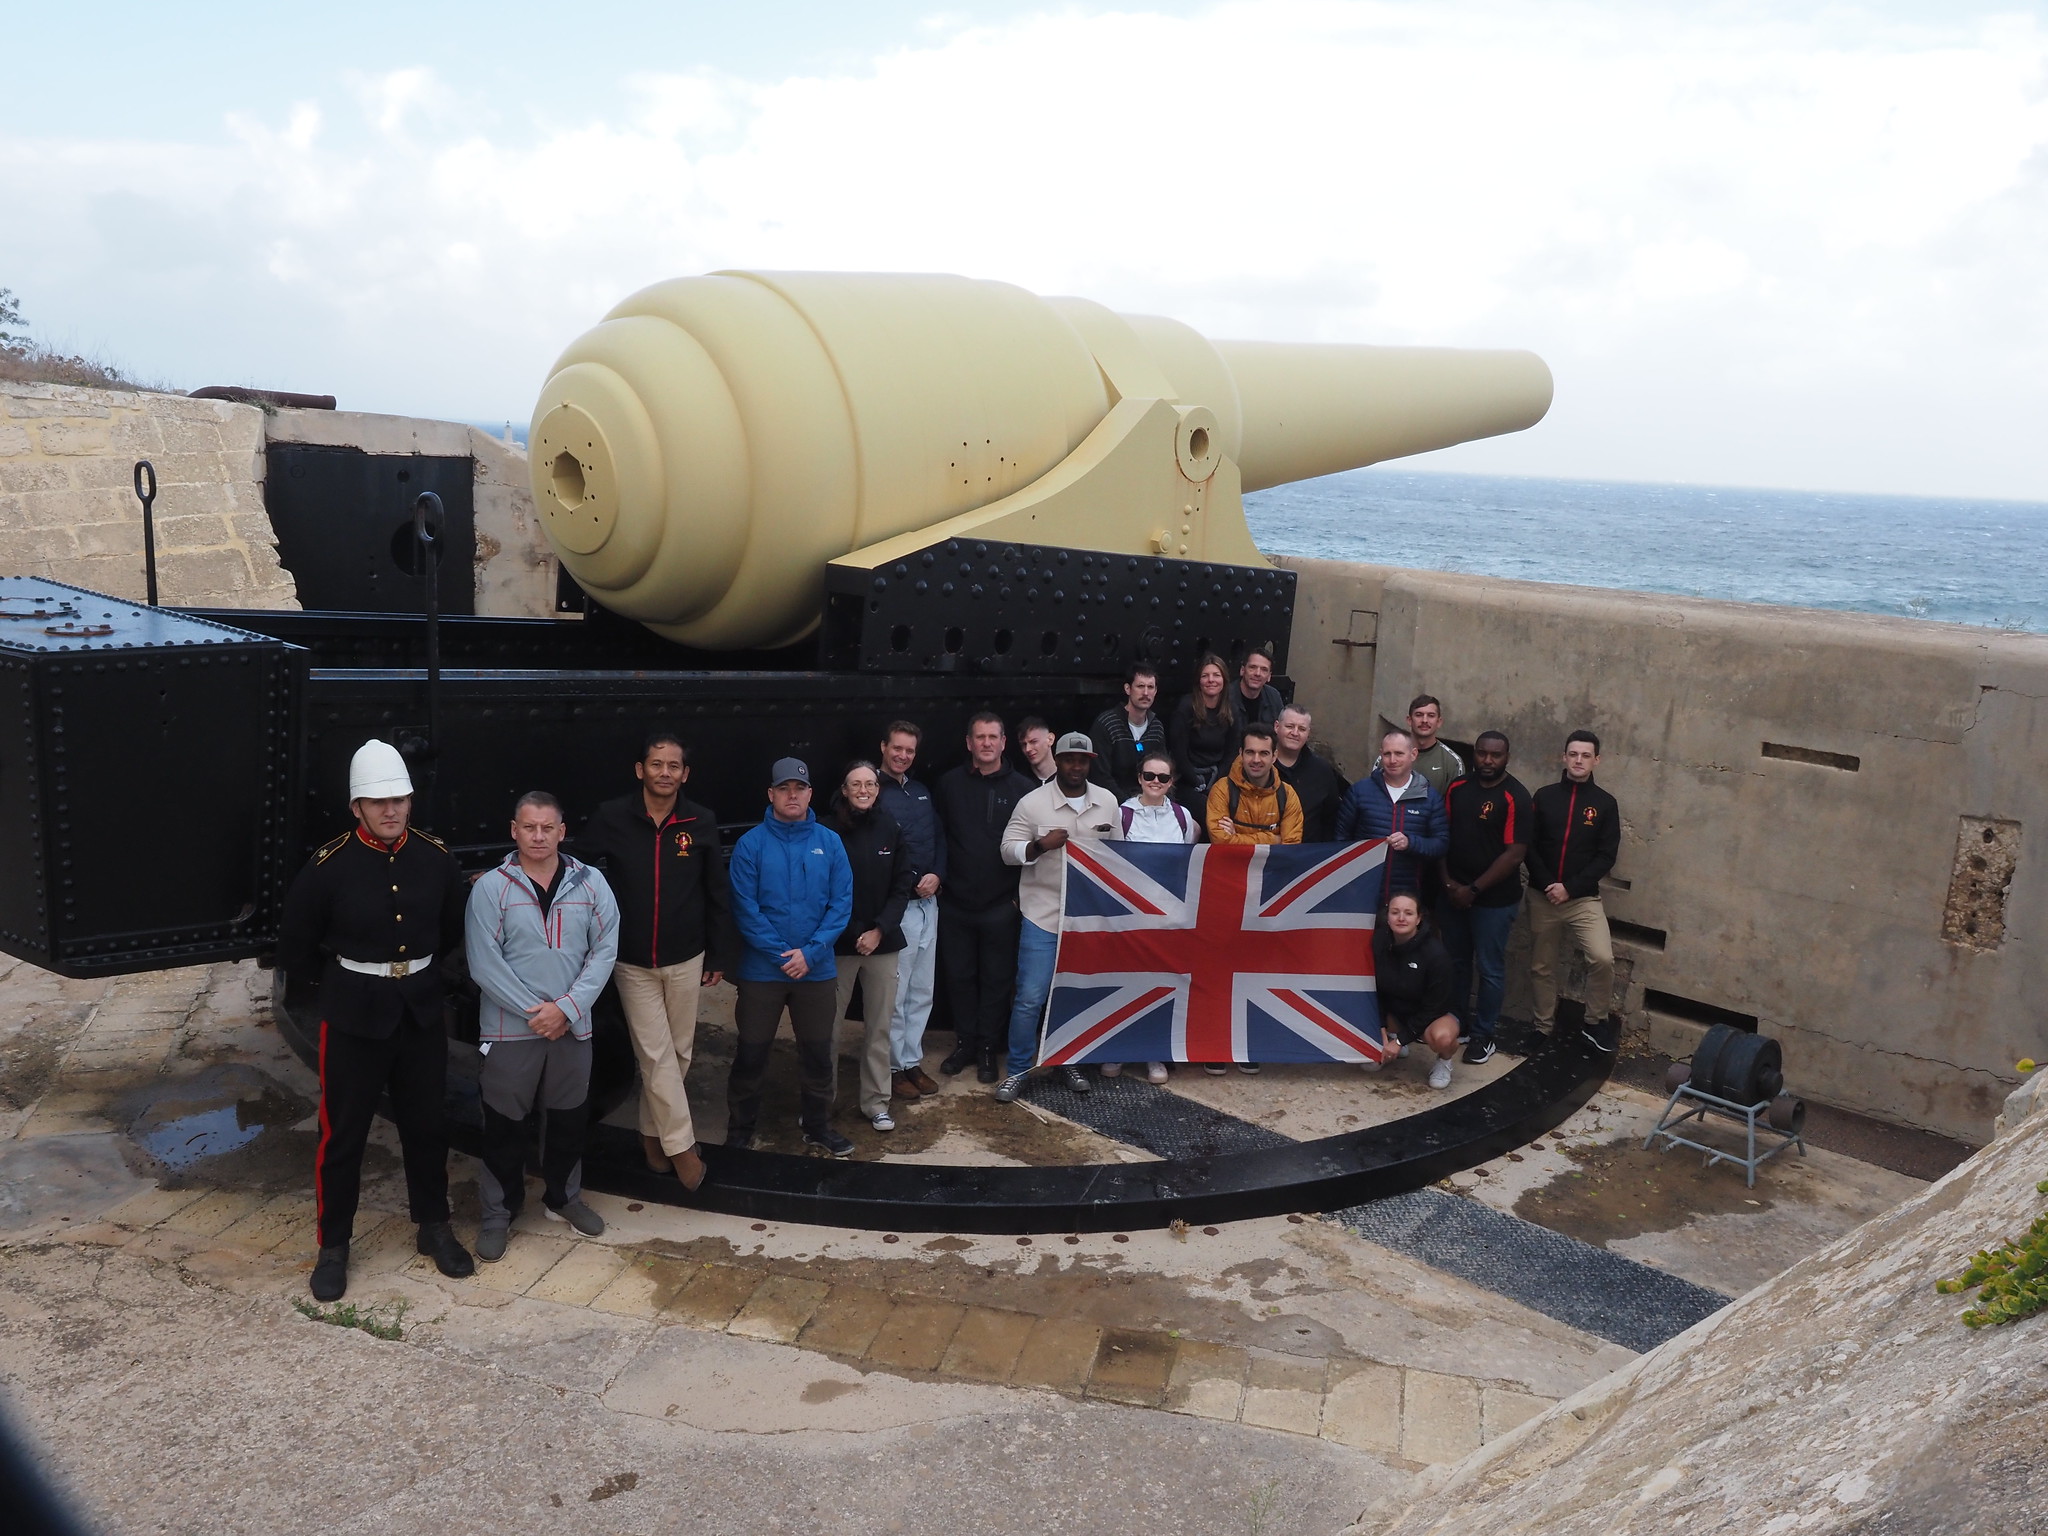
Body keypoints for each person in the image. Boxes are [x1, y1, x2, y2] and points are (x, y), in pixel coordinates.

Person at [277, 738, 473, 1302]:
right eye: (378, 802)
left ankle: (433, 1226)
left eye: (399, 800)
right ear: (356, 807)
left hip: (419, 1012)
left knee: (427, 1126)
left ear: (410, 801)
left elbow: (453, 930)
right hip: (353, 1017)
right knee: (343, 1135)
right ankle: (334, 1245)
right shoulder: (327, 866)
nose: (390, 811)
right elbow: (296, 947)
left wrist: (431, 982)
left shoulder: (436, 858)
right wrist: (341, 989)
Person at [465, 792, 620, 1261]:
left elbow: (604, 951)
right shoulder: (492, 888)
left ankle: (563, 1199)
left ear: (561, 831)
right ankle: (498, 1213)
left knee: (569, 1120)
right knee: (503, 1125)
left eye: (547, 828)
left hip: (572, 1028)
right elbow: (484, 963)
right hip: (510, 1031)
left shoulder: (591, 884)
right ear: (514, 831)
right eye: (529, 827)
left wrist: (567, 1009)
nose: (538, 836)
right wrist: (538, 1011)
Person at [576, 731, 730, 1193]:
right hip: (632, 960)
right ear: (640, 769)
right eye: (657, 764)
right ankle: (682, 1148)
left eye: (674, 766)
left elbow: (715, 891)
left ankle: (650, 1137)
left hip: (687, 956)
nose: (665, 772)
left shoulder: (700, 821)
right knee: (655, 1054)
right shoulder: (612, 817)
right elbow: (572, 865)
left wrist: (719, 953)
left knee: (678, 1054)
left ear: (685, 774)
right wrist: (511, 868)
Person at [725, 758, 856, 1156]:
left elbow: (841, 904)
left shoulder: (829, 843)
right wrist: (781, 954)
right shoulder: (751, 845)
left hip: (815, 970)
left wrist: (811, 953)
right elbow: (744, 908)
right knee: (751, 1053)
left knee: (817, 1054)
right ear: (771, 794)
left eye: (799, 788)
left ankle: (818, 1126)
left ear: (810, 793)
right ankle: (740, 1129)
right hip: (762, 971)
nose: (792, 795)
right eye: (784, 788)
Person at [996, 732, 1122, 1103]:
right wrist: (1039, 846)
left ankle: (1066, 1061)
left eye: (1083, 760)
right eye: (1069, 759)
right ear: (1059, 760)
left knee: (1074, 994)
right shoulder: (1032, 803)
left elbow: (1121, 855)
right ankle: (1019, 1069)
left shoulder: (1107, 801)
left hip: (1087, 918)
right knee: (1030, 996)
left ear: (1090, 763)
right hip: (1043, 914)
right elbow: (1006, 851)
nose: (1076, 766)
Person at [933, 713, 1035, 1082]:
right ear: (969, 743)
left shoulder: (1024, 789)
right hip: (956, 903)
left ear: (1004, 742)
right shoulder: (949, 784)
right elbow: (938, 836)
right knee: (959, 977)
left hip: (1001, 905)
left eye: (993, 737)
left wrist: (1017, 900)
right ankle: (965, 1043)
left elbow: (1030, 847)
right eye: (980, 737)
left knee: (996, 980)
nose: (987, 743)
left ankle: (989, 1048)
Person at [824, 761, 916, 1133]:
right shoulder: (826, 831)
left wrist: (879, 929)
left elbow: (902, 885)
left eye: (870, 784)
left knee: (879, 1028)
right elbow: (824, 889)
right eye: (856, 784)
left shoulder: (890, 827)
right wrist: (853, 932)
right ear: (844, 789)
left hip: (883, 941)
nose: (864, 790)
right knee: (827, 1028)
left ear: (878, 790)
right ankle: (821, 1103)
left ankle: (876, 1102)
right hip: (837, 944)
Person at [1526, 730, 1623, 1051]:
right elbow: (1529, 844)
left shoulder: (1605, 804)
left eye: (1585, 755)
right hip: (1542, 896)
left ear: (1597, 760)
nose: (1578, 760)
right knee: (1542, 966)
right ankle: (1542, 1027)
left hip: (1582, 899)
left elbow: (1606, 856)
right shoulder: (1544, 796)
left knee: (1602, 958)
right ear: (1564, 757)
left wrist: (1569, 888)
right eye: (1573, 754)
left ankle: (1595, 1022)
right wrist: (1548, 884)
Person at [1439, 731, 1531, 1066]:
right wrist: (1448, 882)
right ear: (1474, 754)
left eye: (1495, 755)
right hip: (1453, 895)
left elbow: (1514, 854)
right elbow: (1442, 835)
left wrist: (1473, 890)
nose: (1488, 761)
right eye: (1482, 754)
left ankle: (1483, 1035)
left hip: (1494, 902)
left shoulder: (1516, 796)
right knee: (1456, 962)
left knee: (1490, 968)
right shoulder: (1457, 788)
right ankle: (1458, 1023)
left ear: (1507, 757)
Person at [1109, 751, 1194, 1087]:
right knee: (1126, 983)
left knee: (1160, 986)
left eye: (1163, 777)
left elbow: (1186, 864)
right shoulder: (1122, 814)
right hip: (1131, 916)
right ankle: (1118, 1048)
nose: (1155, 782)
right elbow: (1111, 863)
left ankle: (1153, 1052)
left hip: (1168, 918)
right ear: (1139, 778)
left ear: (1171, 782)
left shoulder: (1183, 817)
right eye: (1149, 776)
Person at [876, 721, 943, 1101]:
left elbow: (938, 839)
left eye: (910, 750)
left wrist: (938, 875)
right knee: (896, 993)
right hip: (897, 907)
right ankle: (891, 1067)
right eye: (897, 748)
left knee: (921, 990)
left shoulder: (920, 792)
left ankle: (911, 1060)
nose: (903, 756)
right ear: (883, 747)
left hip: (928, 904)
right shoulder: (871, 790)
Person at [1336, 727, 1449, 906]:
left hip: (1407, 895)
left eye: (1399, 753)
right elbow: (1340, 840)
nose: (1392, 760)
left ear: (1413, 754)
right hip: (1363, 890)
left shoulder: (1430, 797)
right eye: (1387, 754)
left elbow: (1441, 844)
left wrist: (1410, 843)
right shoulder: (1359, 791)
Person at [1367, 892, 1462, 1090]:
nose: (1401, 918)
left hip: (1432, 1015)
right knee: (1362, 1012)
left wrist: (1401, 1040)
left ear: (1419, 918)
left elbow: (1434, 1007)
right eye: (1395, 912)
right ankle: (1389, 1046)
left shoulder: (1435, 954)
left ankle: (1444, 1061)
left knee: (1443, 1038)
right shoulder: (1378, 942)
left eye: (1408, 913)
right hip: (1396, 1011)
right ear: (1387, 916)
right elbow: (1375, 990)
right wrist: (1381, 1030)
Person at [1206, 724, 1304, 847]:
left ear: (1274, 756)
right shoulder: (1222, 790)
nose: (1256, 760)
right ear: (1241, 753)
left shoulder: (1288, 795)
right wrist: (1273, 840)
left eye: (1264, 753)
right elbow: (1221, 842)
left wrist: (1236, 838)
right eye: (1250, 752)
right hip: (1232, 861)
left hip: (1272, 861)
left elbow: (1291, 847)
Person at [1167, 652, 1238, 814]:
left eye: (1216, 675)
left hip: (1218, 778)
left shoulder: (1232, 709)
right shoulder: (1185, 708)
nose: (1211, 680)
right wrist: (1196, 781)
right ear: (1199, 681)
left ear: (1224, 679)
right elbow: (1179, 754)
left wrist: (1216, 781)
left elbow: (1232, 752)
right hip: (1188, 780)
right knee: (1207, 809)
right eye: (1205, 676)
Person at [1274, 705, 1349, 842]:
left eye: (1302, 729)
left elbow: (1332, 818)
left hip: (1308, 851)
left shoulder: (1322, 771)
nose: (1295, 733)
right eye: (1290, 726)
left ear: (1308, 733)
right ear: (1277, 727)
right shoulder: (1260, 765)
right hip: (1265, 849)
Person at [1090, 662, 1163, 802]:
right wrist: (1129, 805)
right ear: (1128, 689)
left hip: (1150, 801)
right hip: (1114, 803)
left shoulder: (1156, 727)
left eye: (1150, 687)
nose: (1146, 693)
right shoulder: (1107, 724)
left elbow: (1163, 770)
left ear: (1155, 691)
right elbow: (1101, 776)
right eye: (1140, 686)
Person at [1404, 695, 1465, 796]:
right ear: (1409, 720)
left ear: (1439, 722)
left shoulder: (1453, 762)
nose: (1424, 720)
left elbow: (1456, 801)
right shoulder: (1391, 756)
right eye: (1419, 715)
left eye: (1431, 715)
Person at [1234, 646, 1285, 729]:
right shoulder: (1225, 696)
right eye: (1252, 667)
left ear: (1269, 676)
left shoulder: (1273, 697)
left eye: (1264, 670)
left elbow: (1281, 729)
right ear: (1242, 670)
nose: (1257, 673)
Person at [1015, 717, 1056, 786]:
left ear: (1050, 739)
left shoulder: (1067, 778)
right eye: (1023, 744)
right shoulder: (1018, 782)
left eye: (1033, 741)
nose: (1027, 749)